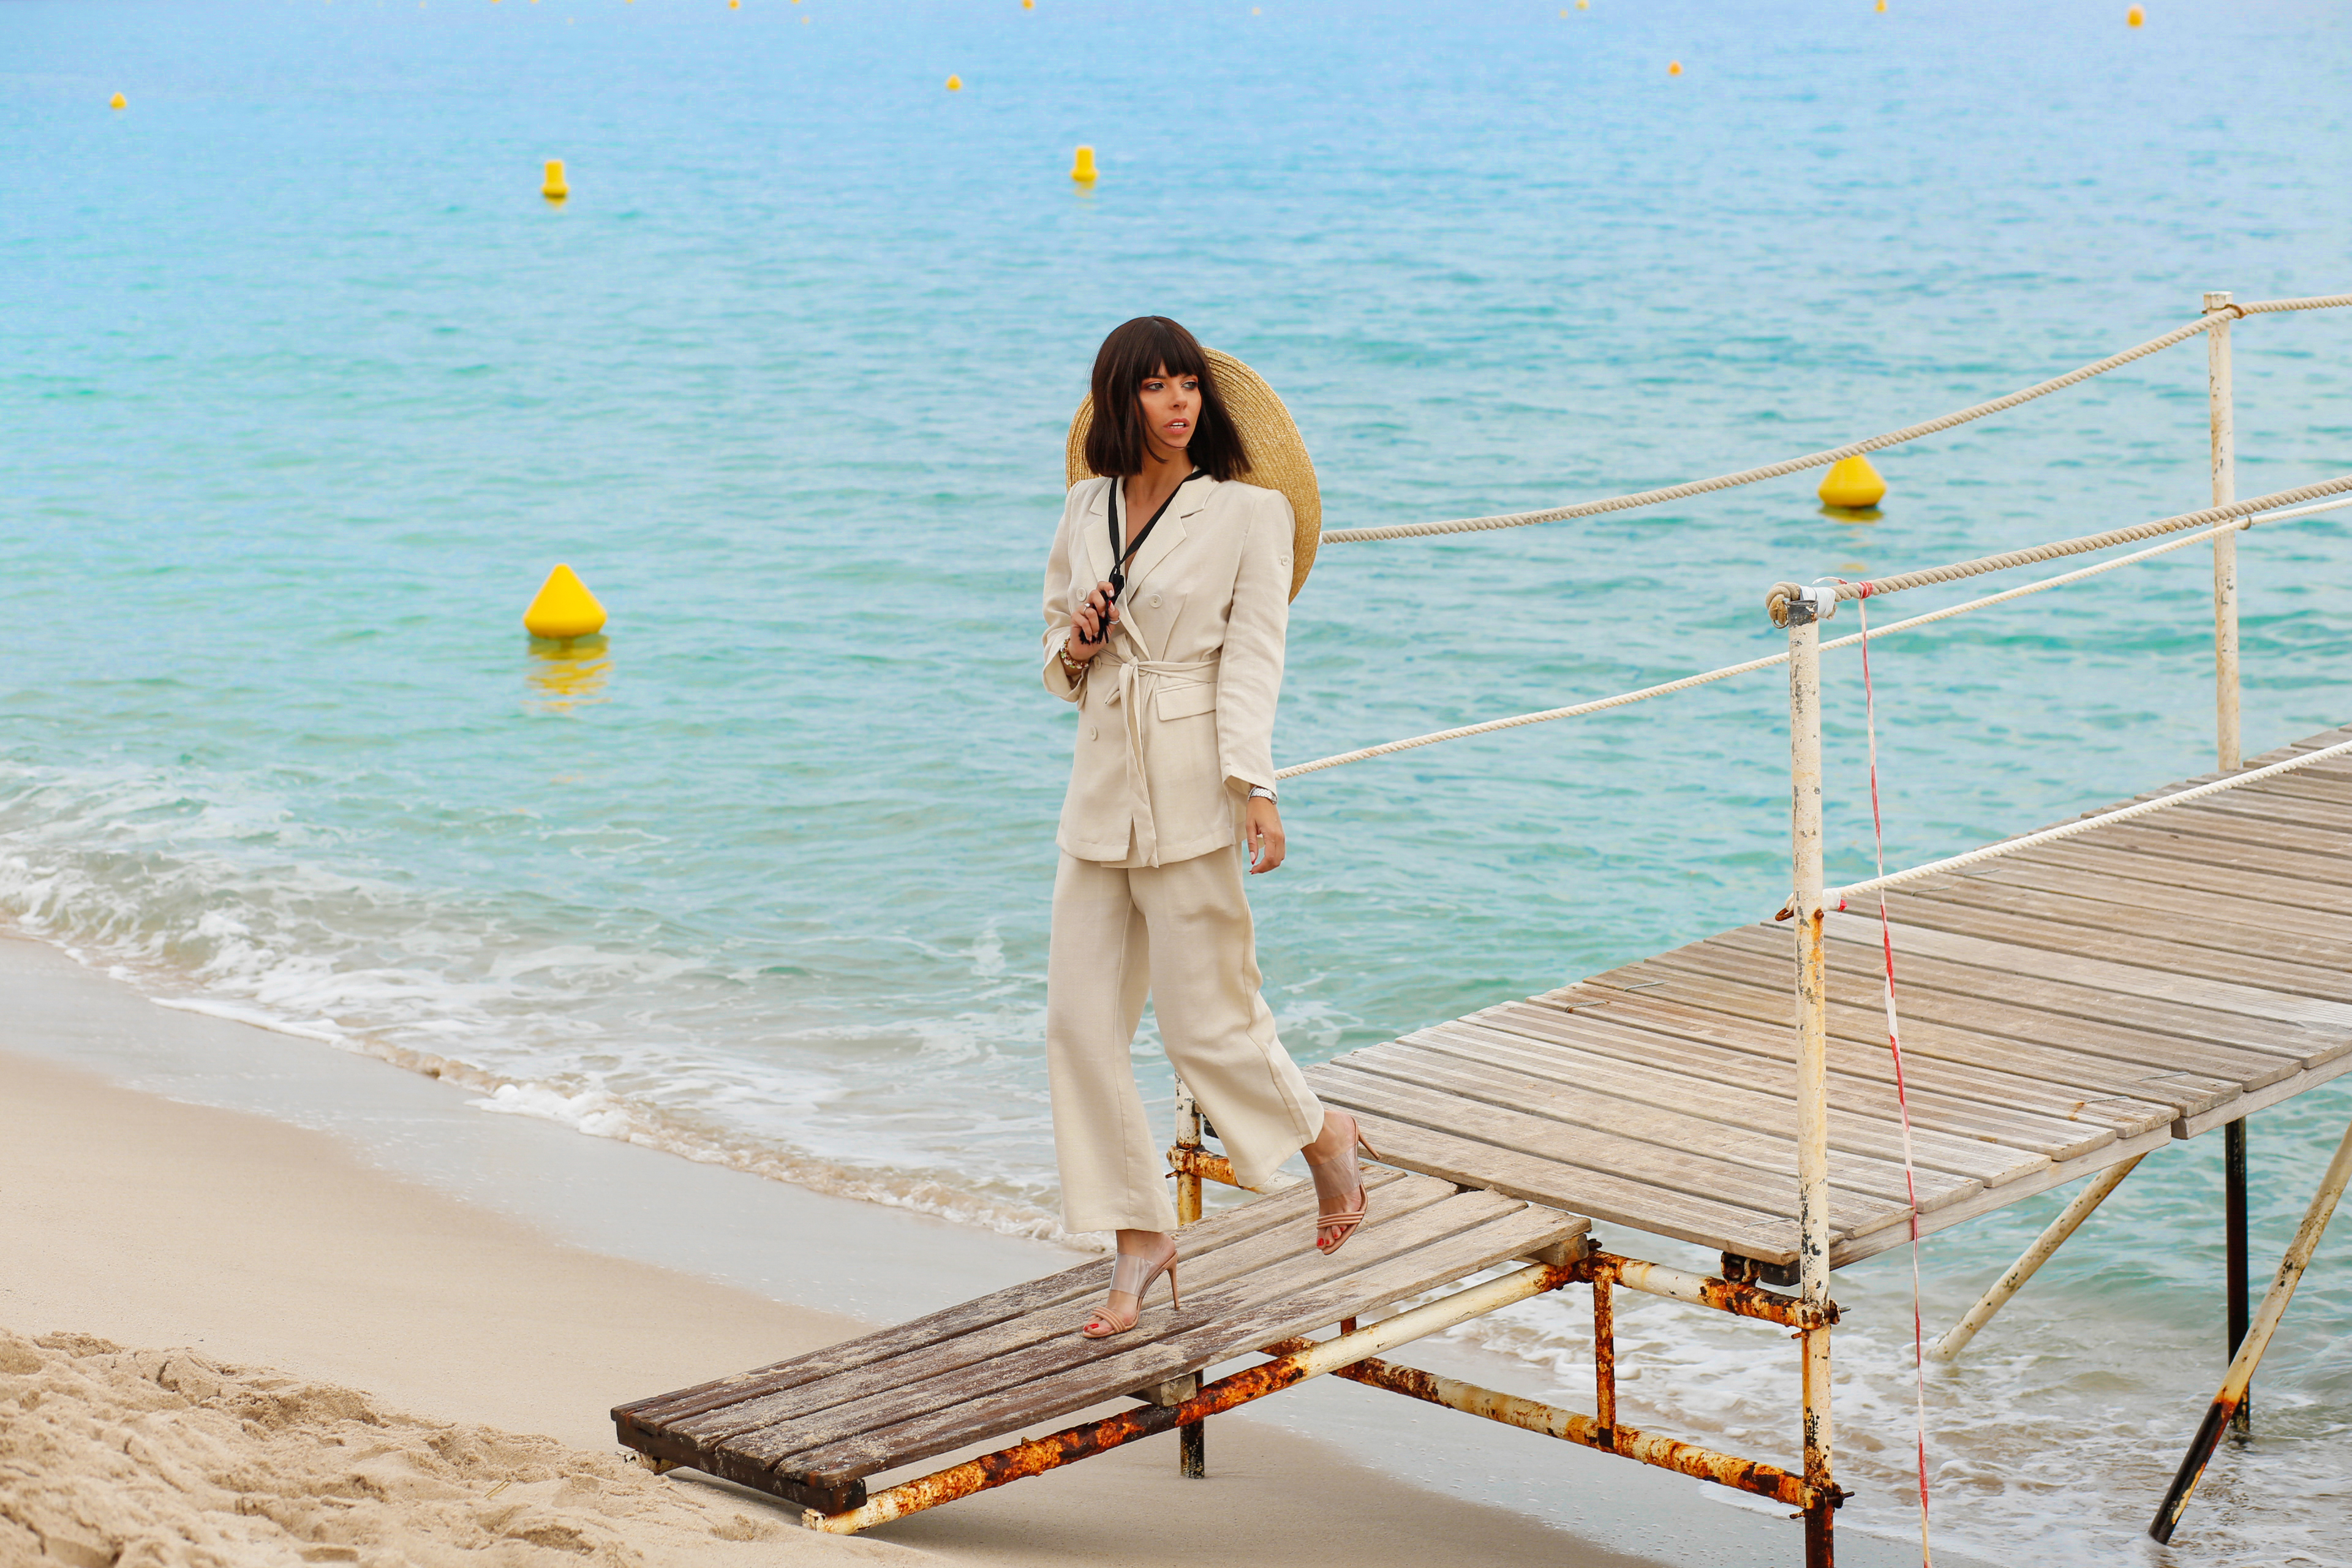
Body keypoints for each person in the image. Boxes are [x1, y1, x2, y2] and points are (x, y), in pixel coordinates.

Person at [1039, 315, 1375, 1340]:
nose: (1179, 404)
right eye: (1157, 388)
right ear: (1120, 401)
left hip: (1191, 785)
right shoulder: (1082, 507)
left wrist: (1254, 786)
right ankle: (1139, 1236)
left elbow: (1253, 661)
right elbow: (1055, 662)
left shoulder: (1249, 512)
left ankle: (1325, 1138)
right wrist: (1081, 640)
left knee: (1206, 1022)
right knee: (1077, 1024)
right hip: (1099, 789)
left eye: (1189, 386)